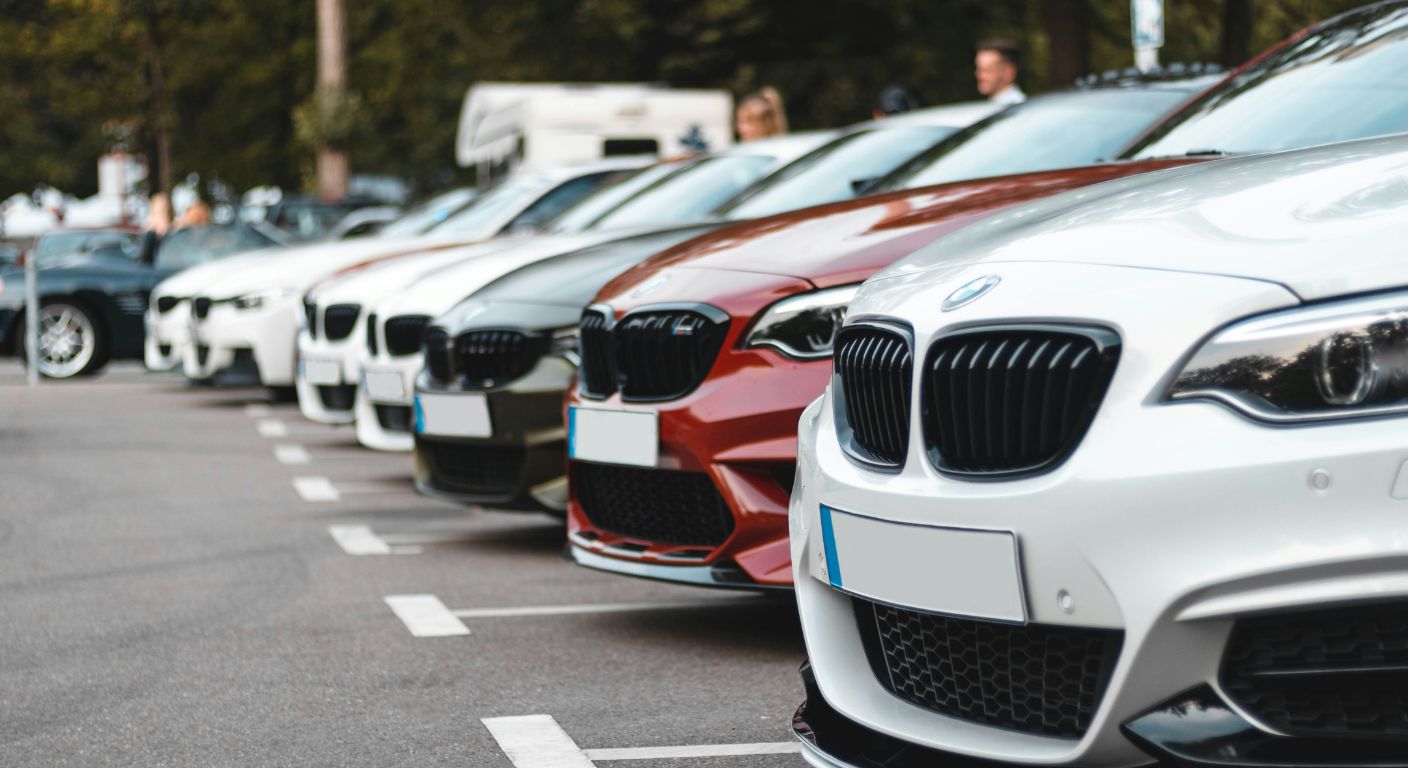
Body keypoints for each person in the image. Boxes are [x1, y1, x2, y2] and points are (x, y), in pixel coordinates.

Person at [975, 38, 1025, 105]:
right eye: (978, 69)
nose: (979, 75)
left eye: (987, 70)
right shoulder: (993, 105)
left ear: (1009, 72)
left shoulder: (1017, 107)